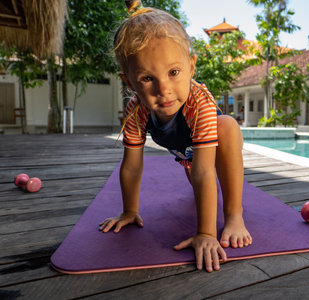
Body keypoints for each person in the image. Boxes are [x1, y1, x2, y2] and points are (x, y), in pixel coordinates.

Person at [98, 1, 252, 273]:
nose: (164, 89)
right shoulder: (136, 109)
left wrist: (206, 234)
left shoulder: (198, 103)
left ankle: (235, 215)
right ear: (129, 81)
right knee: (197, 191)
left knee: (227, 126)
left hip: (211, 148)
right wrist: (130, 211)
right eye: (147, 78)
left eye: (173, 72)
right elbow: (132, 166)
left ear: (191, 67)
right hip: (187, 155)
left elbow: (206, 171)